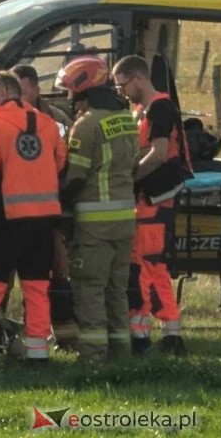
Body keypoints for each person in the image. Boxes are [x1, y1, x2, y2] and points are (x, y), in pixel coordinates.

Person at [0, 71, 67, 363]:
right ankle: (38, 353)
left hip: (6, 222)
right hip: (43, 222)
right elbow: (60, 163)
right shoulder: (48, 124)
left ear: (0, 95)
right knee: (36, 287)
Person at [57, 56, 138, 361]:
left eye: (70, 91)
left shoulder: (86, 126)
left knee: (89, 288)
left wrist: (59, 203)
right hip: (124, 221)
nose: (68, 98)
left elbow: (75, 177)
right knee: (116, 289)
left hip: (95, 225)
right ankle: (121, 351)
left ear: (83, 89)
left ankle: (93, 356)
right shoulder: (125, 120)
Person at [111, 55, 191, 356]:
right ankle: (155, 333)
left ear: (139, 78)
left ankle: (157, 334)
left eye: (123, 85)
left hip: (157, 198)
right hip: (145, 198)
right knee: (146, 266)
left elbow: (158, 154)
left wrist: (128, 178)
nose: (121, 92)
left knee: (147, 265)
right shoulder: (140, 109)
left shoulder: (160, 107)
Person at [13, 64, 78, 350]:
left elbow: (63, 161)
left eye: (22, 91)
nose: (17, 98)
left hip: (49, 209)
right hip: (13, 210)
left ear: (37, 91)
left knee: (54, 273)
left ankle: (64, 338)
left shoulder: (56, 119)